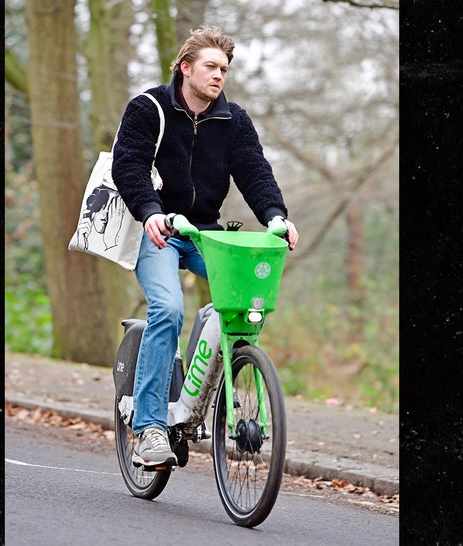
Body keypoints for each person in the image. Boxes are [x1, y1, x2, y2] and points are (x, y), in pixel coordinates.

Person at [112, 25, 299, 468]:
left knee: (240, 302)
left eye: (224, 69)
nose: (219, 75)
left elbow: (254, 170)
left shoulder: (232, 119)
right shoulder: (149, 108)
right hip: (157, 228)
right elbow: (129, 165)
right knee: (168, 308)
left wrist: (276, 216)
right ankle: (150, 428)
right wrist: (151, 210)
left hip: (204, 232)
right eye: (211, 67)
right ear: (186, 68)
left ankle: (191, 398)